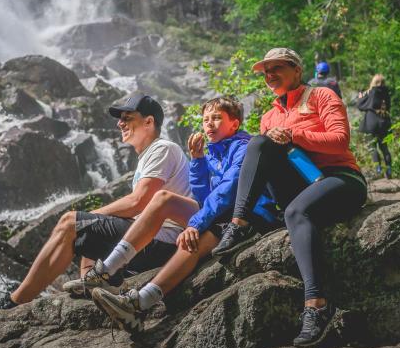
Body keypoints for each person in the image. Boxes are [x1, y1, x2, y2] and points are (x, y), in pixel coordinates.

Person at [210, 47, 367, 348]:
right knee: (258, 143)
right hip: (300, 186)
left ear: (296, 70)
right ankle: (239, 222)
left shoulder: (321, 96)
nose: (270, 75)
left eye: (276, 68)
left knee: (296, 213)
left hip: (340, 178)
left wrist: (295, 135)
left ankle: (317, 306)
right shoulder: (269, 115)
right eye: (266, 72)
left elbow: (341, 140)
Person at [89, 96, 279, 332]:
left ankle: (138, 302)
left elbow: (227, 192)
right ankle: (129, 294)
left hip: (252, 214)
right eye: (206, 119)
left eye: (217, 118)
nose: (209, 124)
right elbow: (203, 196)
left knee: (194, 240)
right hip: (225, 216)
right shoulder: (212, 153)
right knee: (192, 238)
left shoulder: (243, 147)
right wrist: (198, 161)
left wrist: (195, 224)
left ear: (235, 124)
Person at [2, 93, 191, 307]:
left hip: (163, 243)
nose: (120, 123)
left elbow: (137, 202)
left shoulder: (162, 148)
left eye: (127, 118)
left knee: (69, 222)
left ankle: (15, 301)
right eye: (120, 119)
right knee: (85, 234)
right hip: (151, 242)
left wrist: (89, 218)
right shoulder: (148, 156)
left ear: (149, 122)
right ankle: (90, 287)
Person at [355, 74, 393, 180]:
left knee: (372, 147)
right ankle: (389, 170)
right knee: (384, 148)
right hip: (384, 122)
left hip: (371, 122)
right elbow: (388, 107)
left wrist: (360, 97)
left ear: (374, 82)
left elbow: (360, 105)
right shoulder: (387, 93)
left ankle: (378, 170)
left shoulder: (371, 92)